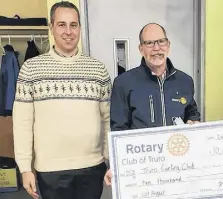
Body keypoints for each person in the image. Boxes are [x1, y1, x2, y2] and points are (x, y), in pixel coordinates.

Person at [13, 2, 111, 199]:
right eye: (61, 24)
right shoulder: (31, 69)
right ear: (51, 28)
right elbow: (22, 123)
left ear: (80, 28)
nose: (68, 31)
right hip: (51, 170)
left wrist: (112, 160)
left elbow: (108, 119)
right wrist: (25, 168)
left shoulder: (98, 70)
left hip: (92, 167)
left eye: (73, 25)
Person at [104, 23, 200, 184]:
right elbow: (118, 129)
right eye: (149, 43)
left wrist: (193, 120)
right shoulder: (123, 83)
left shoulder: (185, 81)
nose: (157, 48)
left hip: (178, 167)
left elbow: (191, 111)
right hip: (142, 169)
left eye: (161, 42)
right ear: (141, 48)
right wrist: (116, 164)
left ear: (168, 45)